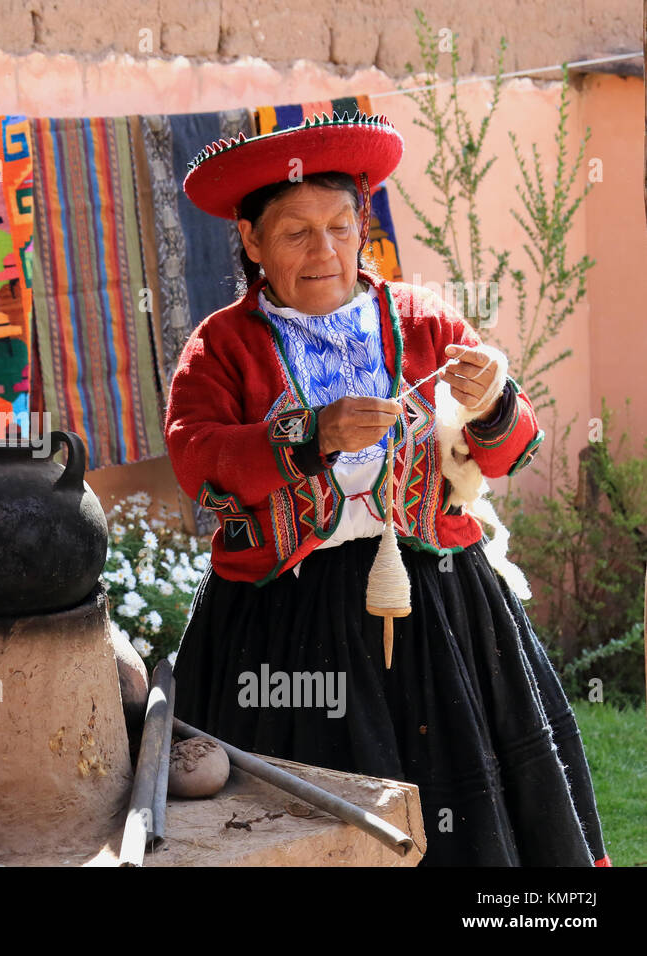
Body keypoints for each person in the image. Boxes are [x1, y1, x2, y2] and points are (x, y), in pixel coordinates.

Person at [165, 111, 608, 866]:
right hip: (285, 615)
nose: (325, 250)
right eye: (297, 232)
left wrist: (494, 396)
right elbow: (198, 459)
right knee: (299, 807)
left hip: (441, 604)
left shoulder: (423, 320)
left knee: (463, 799)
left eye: (341, 226)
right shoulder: (222, 345)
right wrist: (312, 436)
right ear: (250, 241)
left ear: (362, 226)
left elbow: (508, 448)